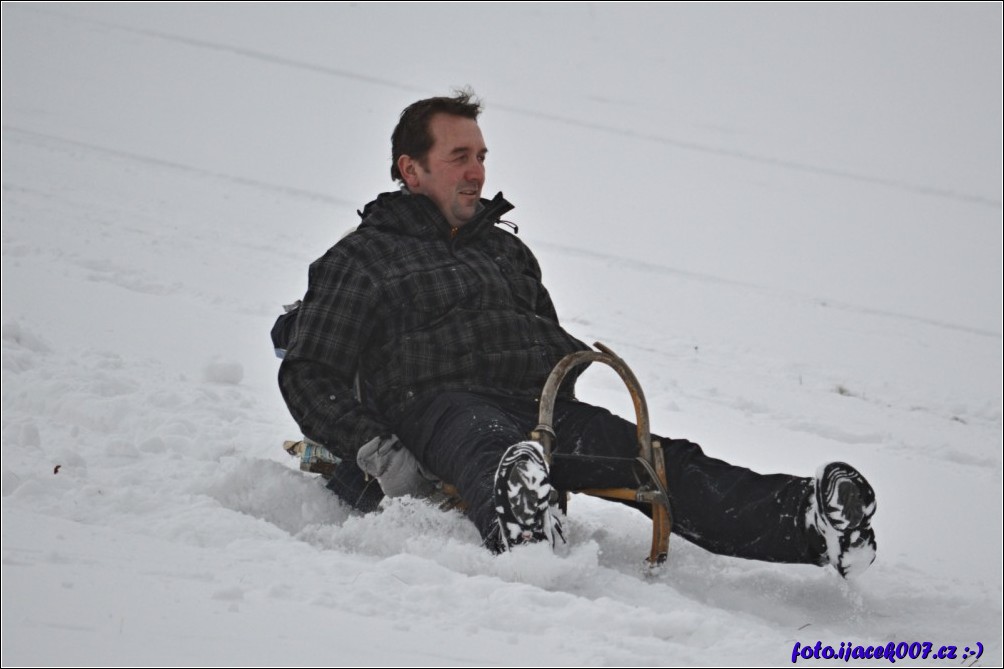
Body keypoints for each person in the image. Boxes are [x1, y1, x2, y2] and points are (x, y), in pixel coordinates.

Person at [277, 90, 877, 577]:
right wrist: (380, 454)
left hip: (538, 410)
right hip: (435, 408)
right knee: (492, 447)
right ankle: (522, 525)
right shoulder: (362, 259)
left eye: (482, 156)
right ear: (412, 169)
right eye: (459, 156)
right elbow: (308, 372)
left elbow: (542, 328)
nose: (477, 172)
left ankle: (808, 519)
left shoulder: (504, 252)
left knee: (661, 461)